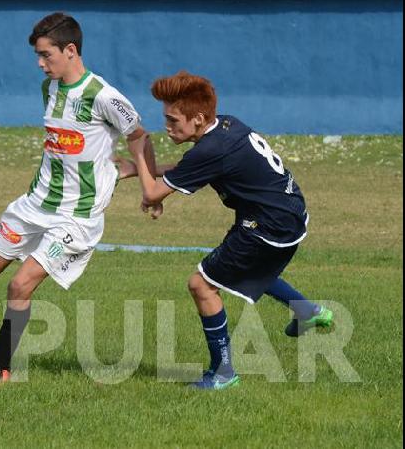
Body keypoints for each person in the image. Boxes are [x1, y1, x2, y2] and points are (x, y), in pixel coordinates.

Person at [0, 12, 164, 382]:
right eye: (38, 56)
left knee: (20, 283)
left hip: (75, 219)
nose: (40, 64)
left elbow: (139, 136)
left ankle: (0, 368)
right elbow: (79, 149)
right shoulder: (49, 89)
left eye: (46, 55)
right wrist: (112, 168)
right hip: (34, 205)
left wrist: (149, 188)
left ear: (71, 50)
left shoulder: (105, 96)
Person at [122, 70, 334, 390]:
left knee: (202, 286)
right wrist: (144, 172)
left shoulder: (210, 150)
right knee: (249, 266)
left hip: (266, 226)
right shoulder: (226, 125)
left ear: (198, 118)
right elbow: (189, 169)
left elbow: (153, 194)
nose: (167, 128)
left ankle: (223, 373)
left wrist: (139, 157)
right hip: (291, 213)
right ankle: (308, 311)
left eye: (173, 120)